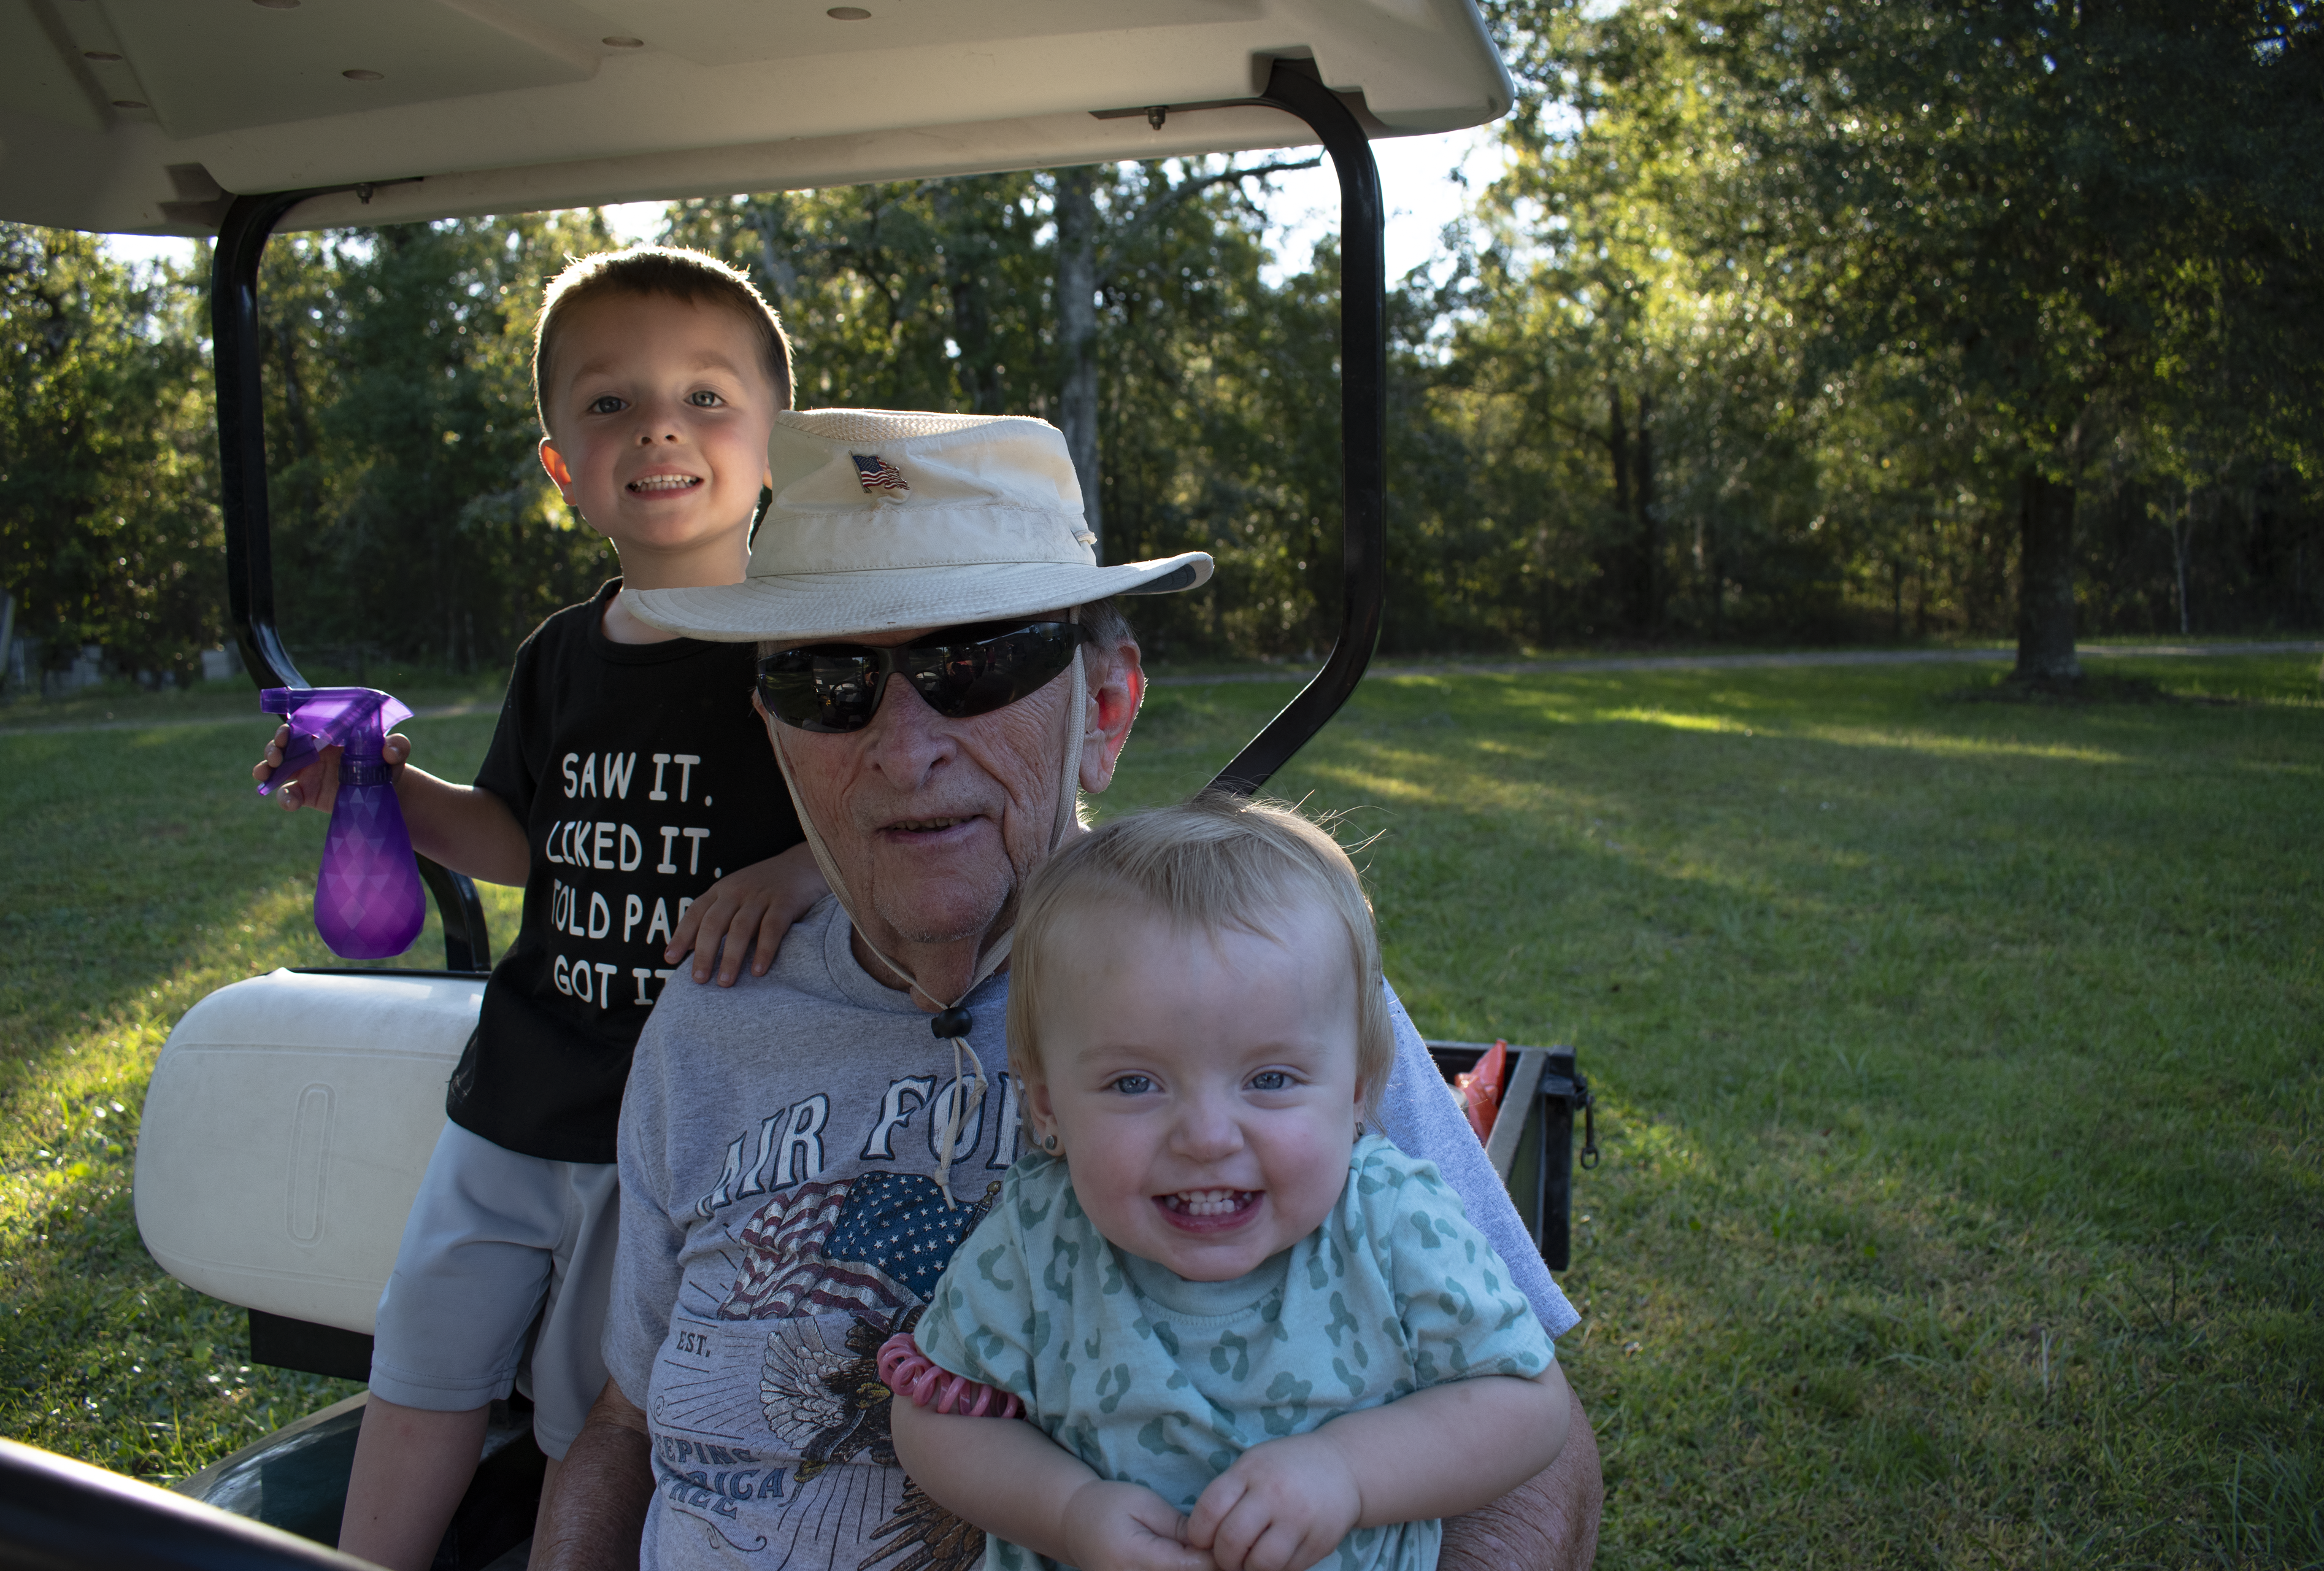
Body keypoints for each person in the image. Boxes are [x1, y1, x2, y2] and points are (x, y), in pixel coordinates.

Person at [538, 408, 1603, 1571]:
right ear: (776, 731)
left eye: (975, 663)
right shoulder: (710, 1013)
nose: (903, 749)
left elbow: (1533, 1437)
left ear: (1103, 710)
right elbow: (627, 1423)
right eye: (826, 682)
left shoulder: (1251, 1010)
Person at [251, 247, 830, 1571]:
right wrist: (385, 788)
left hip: (686, 1123)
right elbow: (518, 840)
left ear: (772, 446)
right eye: (612, 403)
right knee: (425, 1355)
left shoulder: (815, 650)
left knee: (595, 1409)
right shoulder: (560, 657)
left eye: (704, 396)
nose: (661, 426)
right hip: (517, 1090)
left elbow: (879, 834)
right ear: (563, 465)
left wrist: (798, 869)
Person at [888, 793, 1571, 1571]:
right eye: (1136, 1084)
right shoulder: (1041, 1240)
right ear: (1048, 1106)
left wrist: (1348, 1472)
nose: (1208, 1137)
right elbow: (934, 1418)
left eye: (1271, 1078)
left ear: (1357, 1091)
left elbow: (1528, 1403)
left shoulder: (1391, 1222)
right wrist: (1068, 1511)